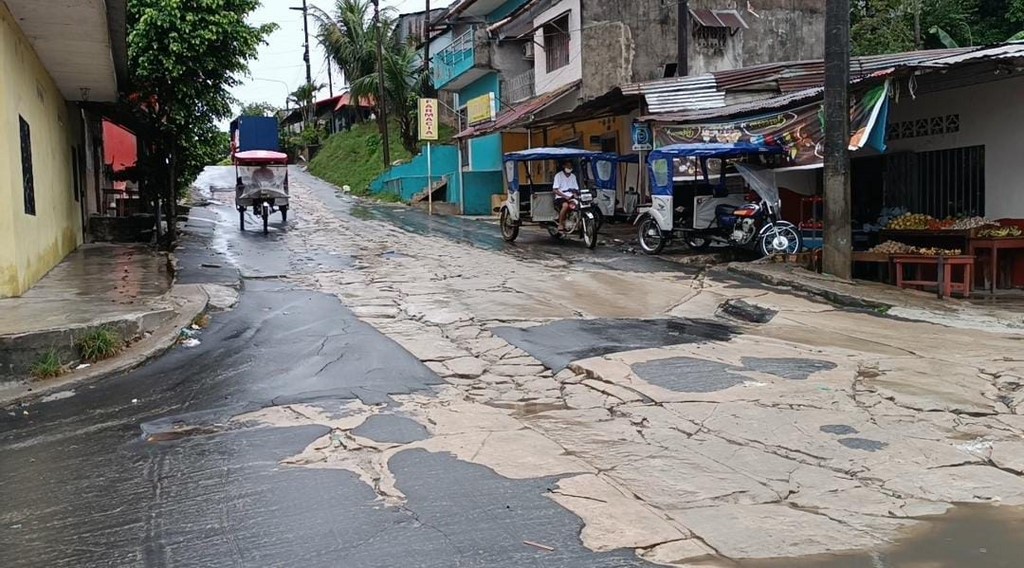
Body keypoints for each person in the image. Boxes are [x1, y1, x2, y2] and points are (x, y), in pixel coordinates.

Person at [552, 160, 579, 232]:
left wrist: (575, 195)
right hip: (560, 197)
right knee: (565, 206)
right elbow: (555, 190)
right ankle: (560, 224)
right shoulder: (558, 175)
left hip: (571, 197)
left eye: (570, 166)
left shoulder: (573, 176)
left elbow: (575, 189)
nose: (569, 167)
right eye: (567, 166)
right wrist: (565, 196)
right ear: (563, 166)